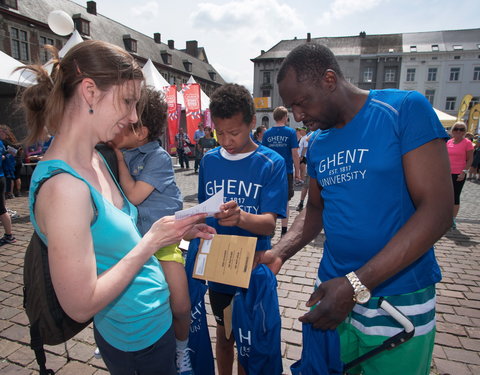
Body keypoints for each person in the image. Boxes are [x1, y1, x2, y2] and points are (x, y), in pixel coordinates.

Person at [18, 40, 214, 375]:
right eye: (127, 101)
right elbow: (80, 304)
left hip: (152, 322)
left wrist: (172, 232)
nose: (134, 116)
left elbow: (113, 238)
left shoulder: (97, 158)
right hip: (134, 338)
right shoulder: (64, 188)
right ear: (90, 92)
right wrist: (152, 241)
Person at [258, 43, 453, 375]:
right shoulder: (319, 142)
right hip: (333, 294)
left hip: (398, 299)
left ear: (329, 80)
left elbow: (437, 211)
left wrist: (356, 284)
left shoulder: (404, 109)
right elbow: (316, 208)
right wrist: (280, 252)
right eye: (292, 108)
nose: (299, 116)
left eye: (302, 103)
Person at [199, 83, 287, 375]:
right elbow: (203, 213)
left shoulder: (270, 163)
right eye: (219, 133)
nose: (226, 140)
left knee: (249, 344)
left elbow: (270, 224)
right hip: (218, 268)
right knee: (224, 338)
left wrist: (241, 218)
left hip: (252, 268)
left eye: (234, 132)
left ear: (252, 123)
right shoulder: (209, 162)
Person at [111, 87, 195, 374]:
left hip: (164, 241)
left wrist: (119, 160)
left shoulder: (156, 156)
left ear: (141, 131)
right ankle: (118, 341)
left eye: (126, 121)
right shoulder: (115, 150)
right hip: (133, 243)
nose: (119, 124)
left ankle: (182, 350)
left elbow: (133, 195)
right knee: (128, 301)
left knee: (181, 306)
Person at [262, 106, 300, 235]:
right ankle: (284, 231)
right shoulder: (290, 132)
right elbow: (295, 154)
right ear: (285, 117)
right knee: (285, 201)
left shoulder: (267, 133)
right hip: (286, 171)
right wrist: (298, 172)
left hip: (271, 172)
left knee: (269, 199)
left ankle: (269, 227)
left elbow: (264, 155)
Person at [446, 121, 474, 229]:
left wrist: (464, 172)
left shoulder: (467, 143)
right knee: (447, 196)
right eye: (456, 129)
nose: (458, 131)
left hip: (459, 174)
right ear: (452, 130)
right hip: (447, 173)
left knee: (455, 196)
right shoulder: (449, 142)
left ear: (464, 132)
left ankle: (453, 219)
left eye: (461, 129)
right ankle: (446, 218)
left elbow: (470, 159)